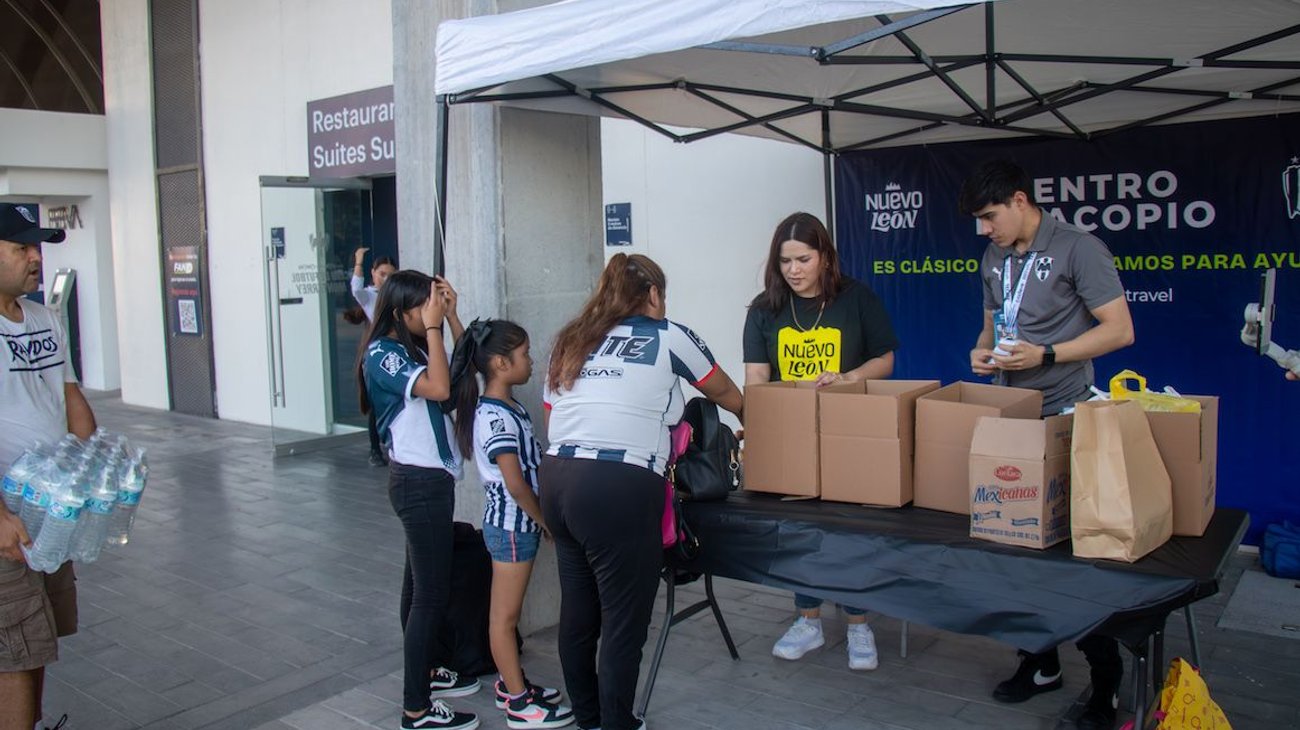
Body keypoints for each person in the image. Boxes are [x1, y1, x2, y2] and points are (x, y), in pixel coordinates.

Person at [959, 159, 1136, 730]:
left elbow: (1120, 330)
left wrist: (1048, 354)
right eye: (979, 221)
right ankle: (1040, 663)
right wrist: (982, 351)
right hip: (1011, 414)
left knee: (1072, 560)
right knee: (1013, 552)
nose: (984, 229)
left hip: (1066, 415)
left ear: (1019, 200)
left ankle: (1105, 681)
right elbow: (992, 324)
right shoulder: (993, 257)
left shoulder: (1079, 248)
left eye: (990, 216)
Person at [541, 254, 744, 730]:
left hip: (558, 479)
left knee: (578, 612)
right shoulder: (669, 335)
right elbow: (728, 395)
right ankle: (618, 723)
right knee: (623, 620)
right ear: (653, 294)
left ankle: (589, 718)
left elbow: (553, 419)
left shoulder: (570, 339)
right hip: (617, 486)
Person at [742, 211, 898, 671]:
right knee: (799, 532)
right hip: (791, 436)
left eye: (803, 259)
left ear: (825, 256)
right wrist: (759, 429)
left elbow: (885, 358)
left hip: (848, 431)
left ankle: (858, 624)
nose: (793, 270)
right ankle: (808, 620)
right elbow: (756, 377)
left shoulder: (856, 298)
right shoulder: (765, 308)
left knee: (849, 531)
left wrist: (848, 377)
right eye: (785, 260)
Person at [358, 269, 479, 730]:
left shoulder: (413, 348)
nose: (431, 312)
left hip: (430, 481)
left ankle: (426, 671)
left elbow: (463, 370)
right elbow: (440, 389)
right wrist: (433, 326)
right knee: (430, 595)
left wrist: (452, 317)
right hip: (418, 483)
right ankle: (417, 709)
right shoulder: (382, 354)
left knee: (417, 588)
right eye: (423, 306)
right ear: (398, 311)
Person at [450, 319, 572, 730]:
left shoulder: (506, 406)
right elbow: (516, 484)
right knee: (503, 619)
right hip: (512, 528)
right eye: (524, 354)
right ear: (501, 364)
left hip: (517, 527)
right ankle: (519, 703)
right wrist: (545, 521)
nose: (531, 361)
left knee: (507, 615)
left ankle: (512, 683)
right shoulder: (495, 417)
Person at [0, 202, 95, 730]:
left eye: (36, 247)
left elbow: (70, 396)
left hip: (49, 509)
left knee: (37, 634)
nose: (35, 258)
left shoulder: (43, 318)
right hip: (8, 516)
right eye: (21, 248)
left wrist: (89, 469)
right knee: (12, 644)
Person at [348, 247, 399, 466]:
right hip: (378, 354)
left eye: (390, 275)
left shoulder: (397, 295)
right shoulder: (370, 295)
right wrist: (358, 261)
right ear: (373, 274)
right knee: (376, 402)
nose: (385, 279)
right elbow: (356, 289)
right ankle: (375, 449)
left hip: (397, 351)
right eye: (382, 274)